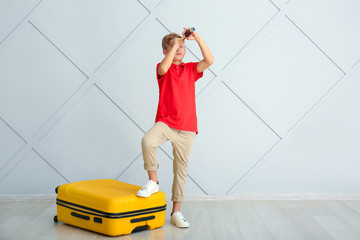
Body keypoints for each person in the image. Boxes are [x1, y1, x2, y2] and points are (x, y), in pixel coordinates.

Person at [136, 28, 214, 228]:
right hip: (166, 122)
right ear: (165, 51)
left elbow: (210, 60)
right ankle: (153, 182)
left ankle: (176, 212)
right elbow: (163, 68)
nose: (179, 49)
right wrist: (176, 43)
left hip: (187, 127)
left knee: (181, 170)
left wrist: (197, 38)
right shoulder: (163, 68)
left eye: (182, 47)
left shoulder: (190, 70)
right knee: (148, 141)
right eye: (174, 47)